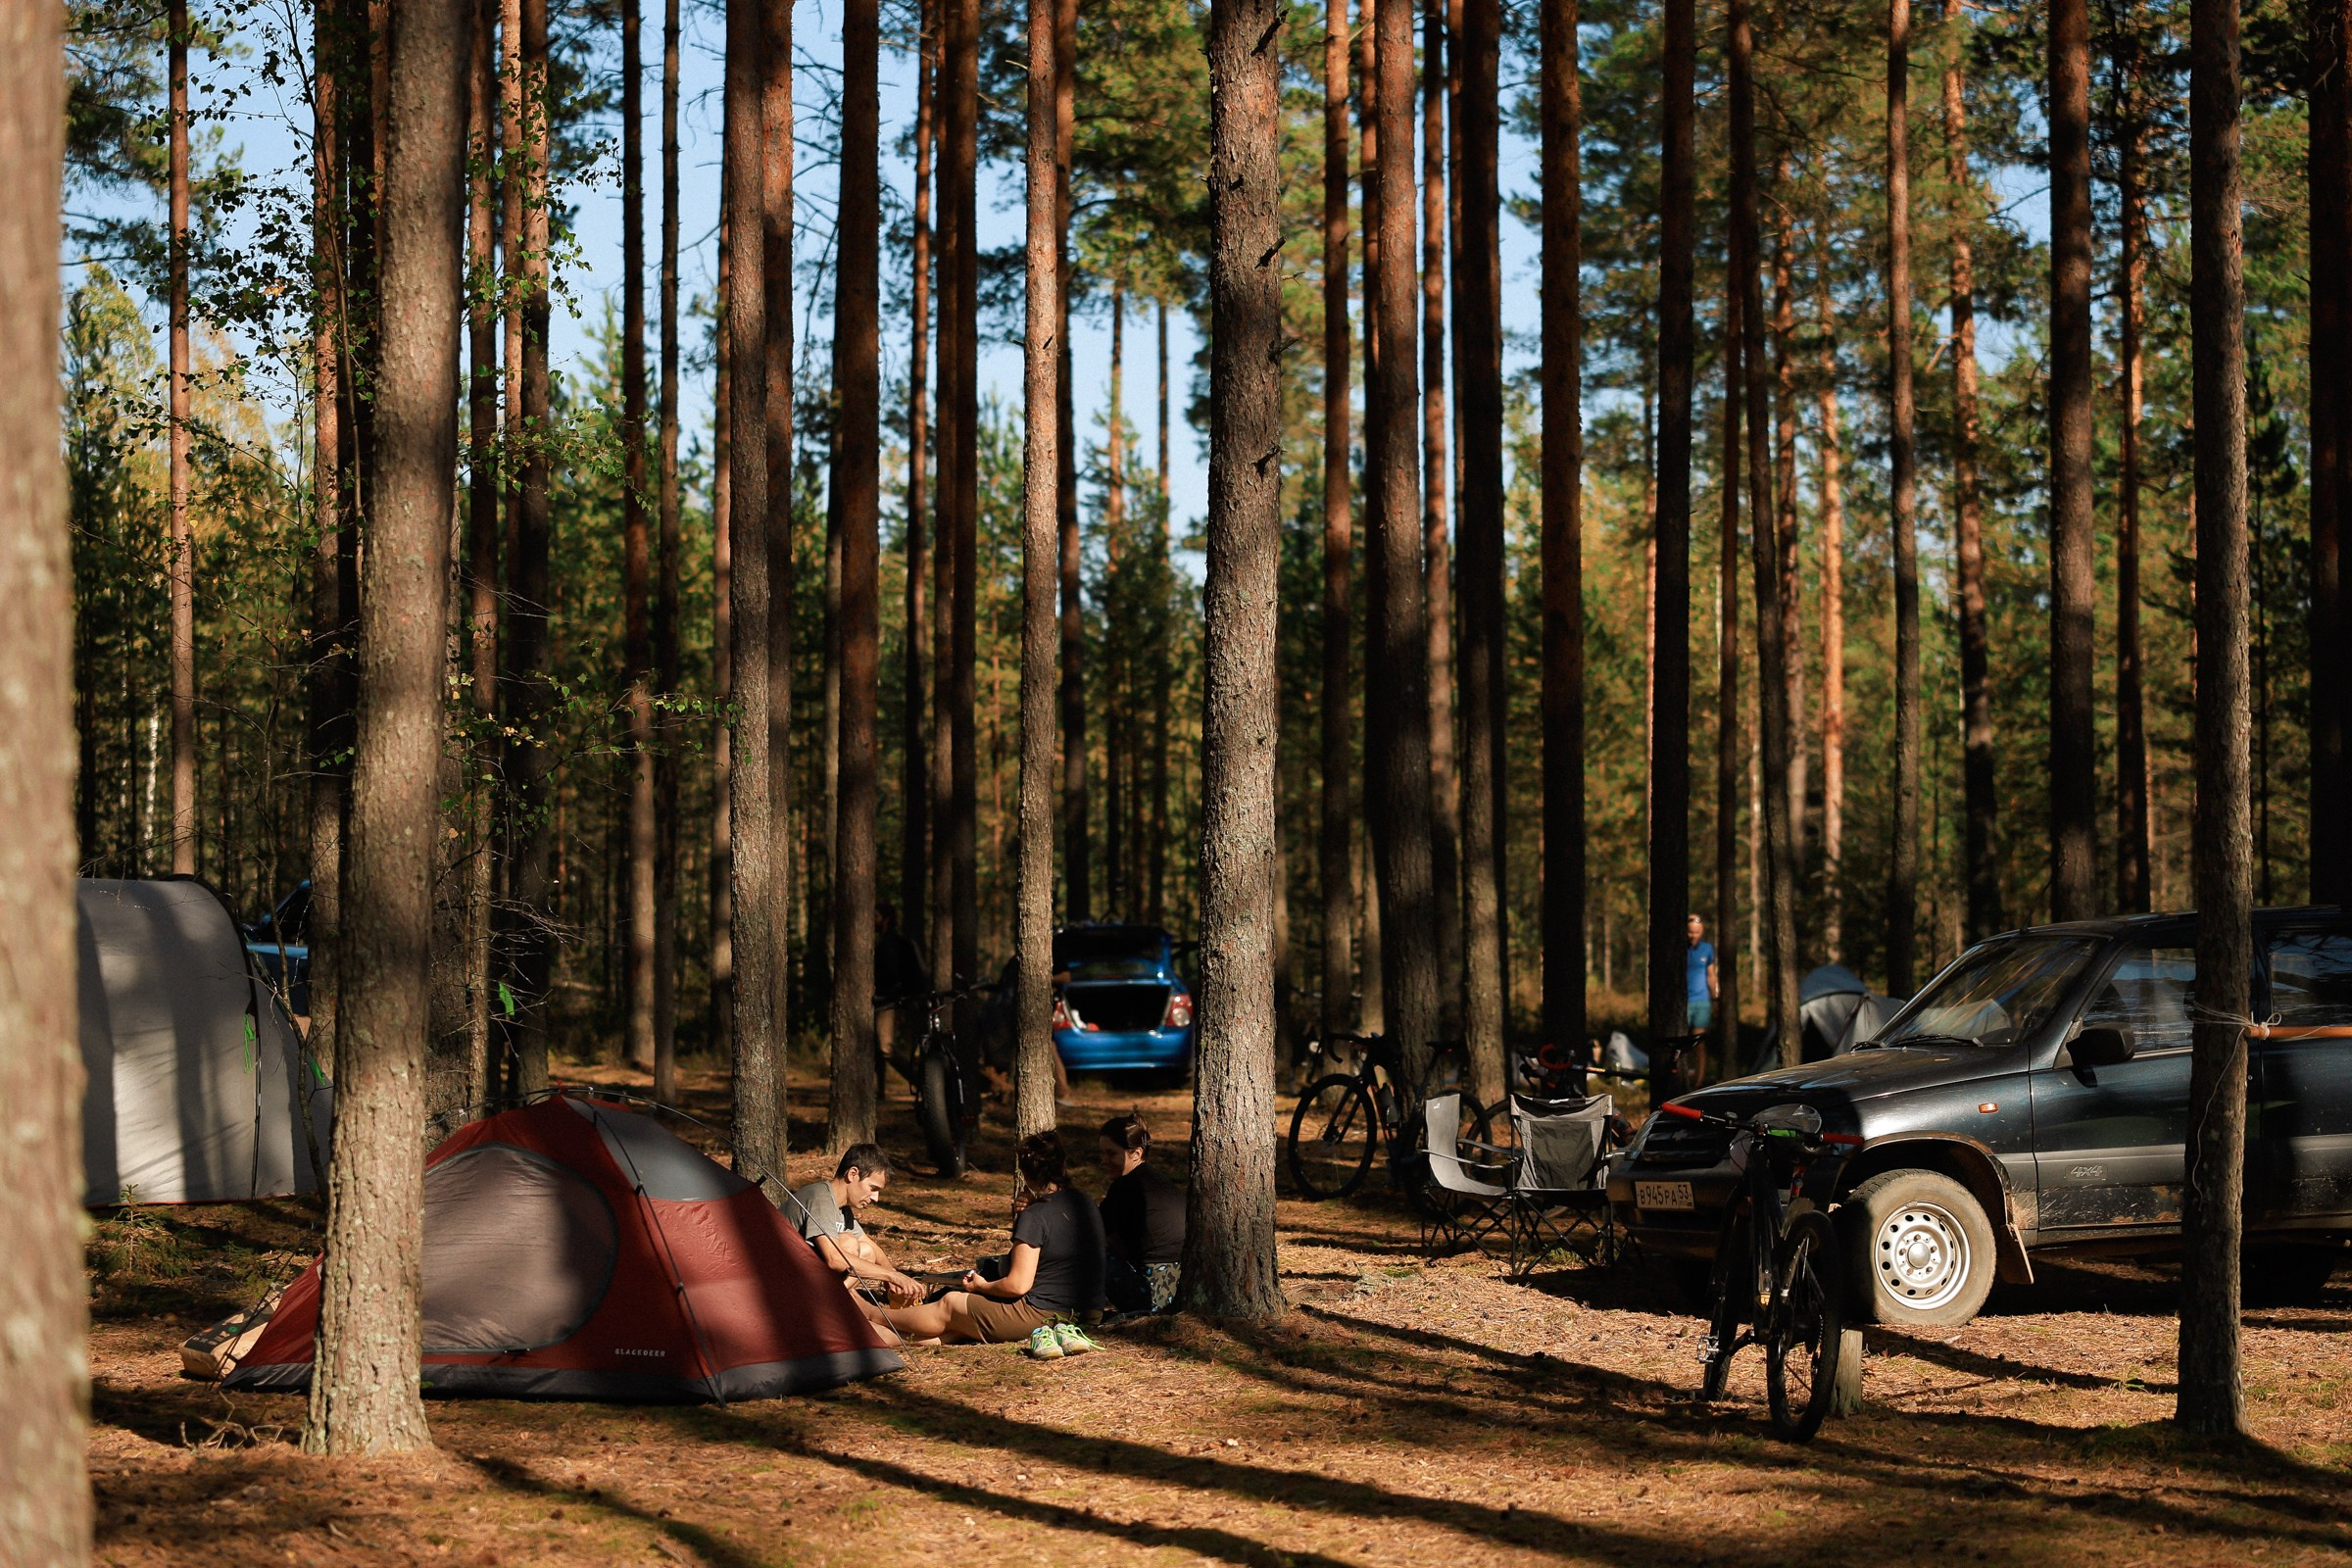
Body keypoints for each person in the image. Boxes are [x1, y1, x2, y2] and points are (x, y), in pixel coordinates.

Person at [887, 1130, 1106, 1352]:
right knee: (953, 1331)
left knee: (950, 1303)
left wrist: (981, 1286)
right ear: (1063, 1164)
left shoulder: (1036, 1216)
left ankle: (874, 1314)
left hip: (1043, 1315)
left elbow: (1017, 1285)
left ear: (1025, 1173)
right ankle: (876, 1335)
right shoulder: (1085, 1202)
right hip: (1088, 1314)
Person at [788, 1144, 927, 1336]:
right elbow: (835, 1259)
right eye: (873, 1188)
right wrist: (891, 1276)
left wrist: (894, 1275)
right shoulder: (820, 1197)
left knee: (866, 1251)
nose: (876, 1198)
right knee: (848, 1243)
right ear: (853, 1174)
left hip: (804, 1281)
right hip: (783, 1285)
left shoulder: (842, 1210)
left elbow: (871, 1247)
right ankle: (821, 1313)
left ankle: (830, 1307)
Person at [1096, 1113, 1183, 1313]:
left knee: (1088, 1249)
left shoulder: (1126, 1185)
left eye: (1111, 1154)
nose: (1104, 1161)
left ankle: (1077, 1311)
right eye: (1102, 1154)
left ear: (1136, 1153)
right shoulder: (1157, 1180)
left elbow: (1097, 1233)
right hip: (1176, 1290)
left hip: (1149, 1294)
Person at [873, 904, 930, 1077]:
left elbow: (893, 974)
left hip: (891, 1001)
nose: (872, 921)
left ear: (886, 919)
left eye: (876, 916)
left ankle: (918, 1079)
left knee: (885, 1047)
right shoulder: (886, 942)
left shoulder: (892, 943)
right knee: (880, 1047)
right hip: (889, 1000)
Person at [1687, 913, 1720, 1032]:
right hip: (1683, 1002)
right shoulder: (1678, 949)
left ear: (1702, 932)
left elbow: (1711, 975)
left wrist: (1714, 999)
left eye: (1697, 932)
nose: (1693, 936)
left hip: (1702, 1001)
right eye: (1690, 932)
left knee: (1698, 1040)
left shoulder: (1707, 949)